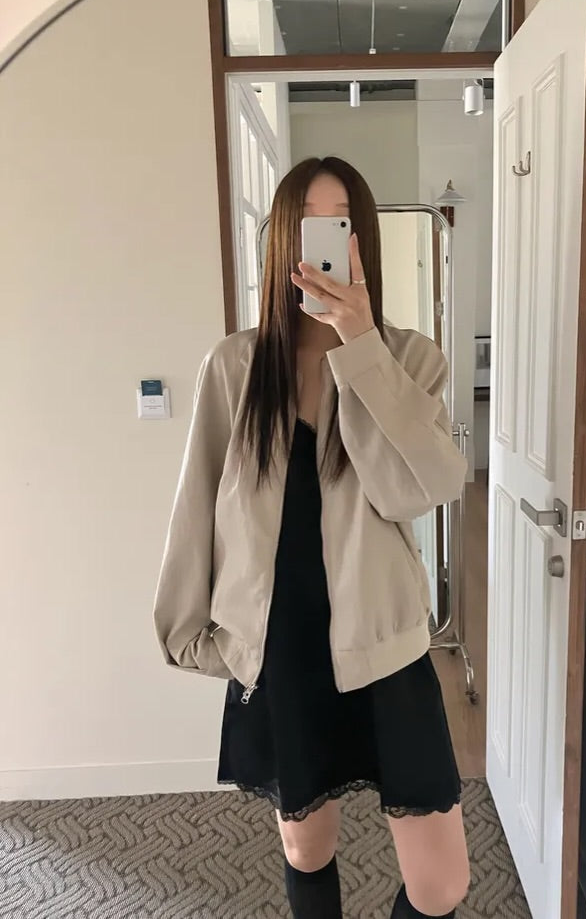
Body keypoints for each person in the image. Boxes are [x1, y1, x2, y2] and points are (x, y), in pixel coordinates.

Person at [153, 156, 470, 918]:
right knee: (307, 848)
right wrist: (188, 631)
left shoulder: (410, 359)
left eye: (340, 223)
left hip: (384, 646)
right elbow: (196, 505)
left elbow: (422, 488)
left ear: (362, 241)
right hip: (282, 647)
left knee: (442, 884)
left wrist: (359, 347)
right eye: (306, 224)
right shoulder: (235, 367)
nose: (322, 243)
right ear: (281, 243)